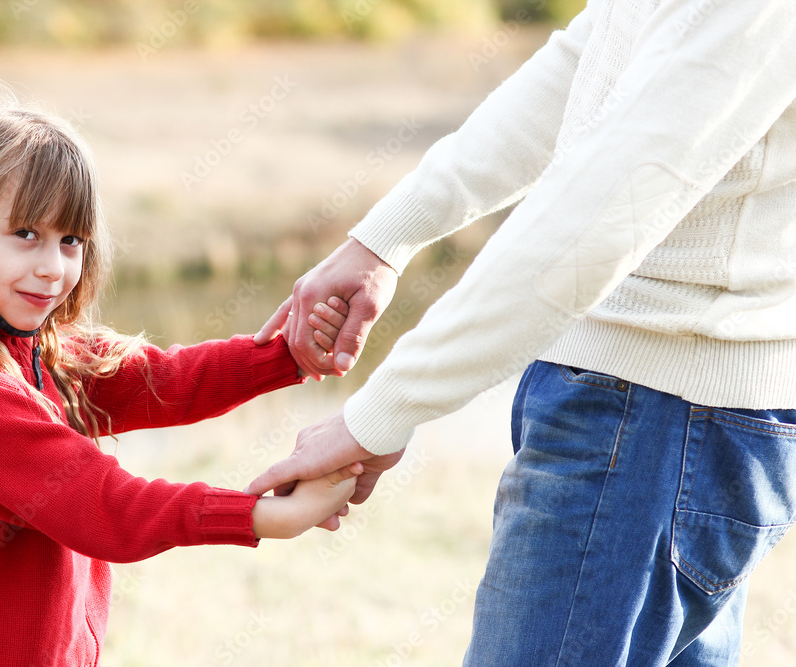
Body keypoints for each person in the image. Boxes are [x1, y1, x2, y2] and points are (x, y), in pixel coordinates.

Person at [248, 1, 796, 663]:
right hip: (657, 416)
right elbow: (595, 58)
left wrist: (378, 413)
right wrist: (387, 237)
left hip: (654, 416)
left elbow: (596, 218)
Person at [0, 105, 360, 666]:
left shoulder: (43, 354)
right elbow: (108, 507)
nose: (52, 267)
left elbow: (165, 380)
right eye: (25, 234)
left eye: (70, 240)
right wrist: (265, 515)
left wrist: (289, 353)